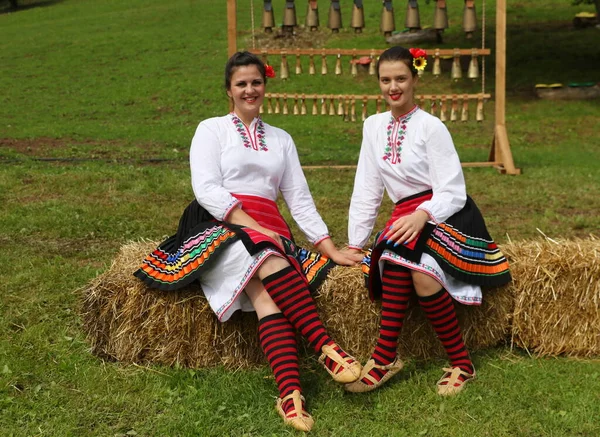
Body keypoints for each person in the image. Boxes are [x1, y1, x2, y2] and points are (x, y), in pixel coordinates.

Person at [134, 51, 362, 432]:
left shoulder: (282, 139)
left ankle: (290, 397)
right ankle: (326, 347)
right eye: (241, 83)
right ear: (229, 89)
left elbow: (299, 199)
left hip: (268, 227)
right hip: (217, 220)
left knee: (266, 294)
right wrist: (250, 225)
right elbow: (205, 187)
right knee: (269, 259)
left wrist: (330, 248)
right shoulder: (211, 129)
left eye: (256, 82)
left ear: (264, 86)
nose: (249, 89)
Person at [343, 46, 511, 396]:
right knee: (395, 258)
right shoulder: (372, 126)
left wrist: (424, 215)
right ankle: (387, 357)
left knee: (419, 271)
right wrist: (355, 242)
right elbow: (368, 186)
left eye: (401, 78)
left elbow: (453, 189)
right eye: (386, 80)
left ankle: (460, 364)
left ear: (415, 79)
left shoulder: (431, 127)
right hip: (405, 215)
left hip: (446, 212)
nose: (394, 87)